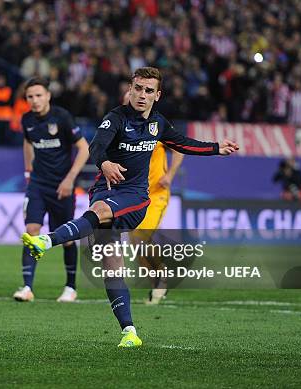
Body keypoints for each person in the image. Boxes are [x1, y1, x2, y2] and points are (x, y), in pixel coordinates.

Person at [22, 67, 239, 347]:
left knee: (100, 212)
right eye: (138, 88)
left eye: (149, 91)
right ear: (131, 88)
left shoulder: (158, 124)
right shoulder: (115, 118)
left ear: (157, 95)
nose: (142, 95)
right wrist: (106, 163)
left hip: (135, 197)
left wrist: (215, 148)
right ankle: (130, 332)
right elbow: (96, 147)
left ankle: (45, 241)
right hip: (105, 189)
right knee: (112, 269)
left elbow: (183, 144)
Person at [13, 77, 89, 303]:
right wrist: (28, 172)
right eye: (30, 97)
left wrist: (70, 180)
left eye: (38, 95)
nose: (34, 101)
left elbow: (84, 149)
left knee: (66, 238)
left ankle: (70, 287)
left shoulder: (62, 118)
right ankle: (27, 287)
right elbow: (28, 143)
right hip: (38, 185)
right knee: (31, 230)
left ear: (48, 95)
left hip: (62, 187)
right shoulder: (27, 119)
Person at [129, 85, 185, 305]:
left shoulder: (156, 125)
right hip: (134, 195)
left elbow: (179, 148)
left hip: (156, 193)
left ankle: (162, 274)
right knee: (136, 245)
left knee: (139, 237)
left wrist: (170, 174)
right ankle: (158, 284)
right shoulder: (124, 128)